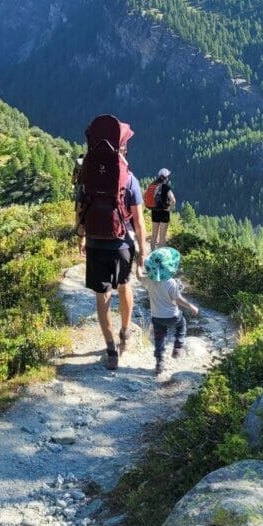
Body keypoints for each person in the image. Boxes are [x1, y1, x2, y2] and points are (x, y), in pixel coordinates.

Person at [76, 117, 147, 371]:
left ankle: (109, 348)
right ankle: (125, 334)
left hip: (96, 241)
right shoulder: (128, 179)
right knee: (125, 287)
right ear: (122, 147)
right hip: (122, 244)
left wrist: (82, 235)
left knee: (102, 295)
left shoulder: (87, 175)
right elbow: (138, 220)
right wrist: (142, 252)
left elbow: (81, 208)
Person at [142, 247, 199, 376]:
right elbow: (178, 300)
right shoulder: (171, 282)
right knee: (182, 324)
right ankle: (178, 348)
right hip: (173, 316)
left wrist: (139, 266)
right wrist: (191, 307)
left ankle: (159, 363)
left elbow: (139, 277)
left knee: (159, 339)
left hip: (156, 317)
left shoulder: (149, 280)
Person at [150, 168, 176, 251]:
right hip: (164, 213)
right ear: (165, 177)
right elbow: (173, 200)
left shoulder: (153, 185)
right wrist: (169, 208)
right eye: (167, 176)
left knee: (154, 235)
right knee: (162, 236)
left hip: (154, 212)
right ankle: (161, 256)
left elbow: (145, 196)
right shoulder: (165, 187)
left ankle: (152, 253)